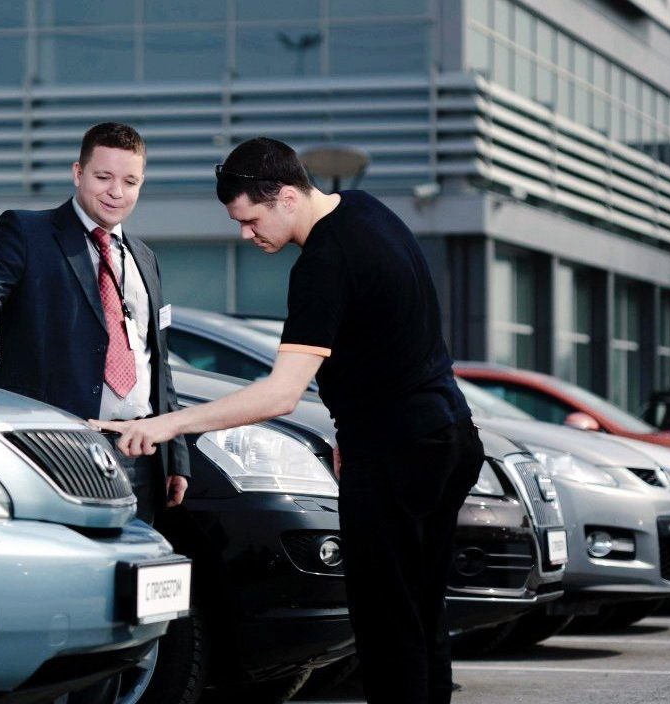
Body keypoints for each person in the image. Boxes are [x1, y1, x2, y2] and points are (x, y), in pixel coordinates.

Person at [94, 137, 483, 704]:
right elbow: (393, 336)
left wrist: (165, 425)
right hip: (448, 438)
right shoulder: (368, 211)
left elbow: (280, 395)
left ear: (284, 197)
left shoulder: (323, 263)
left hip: (398, 455)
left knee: (385, 625)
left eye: (250, 220)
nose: (245, 236)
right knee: (421, 609)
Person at [0, 122, 190, 523]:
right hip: (57, 449)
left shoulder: (144, 257)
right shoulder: (29, 232)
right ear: (78, 173)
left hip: (142, 457)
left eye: (130, 181)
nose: (116, 191)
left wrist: (175, 455)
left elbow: (156, 362)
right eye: (104, 177)